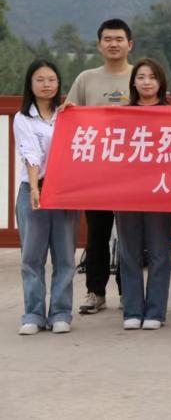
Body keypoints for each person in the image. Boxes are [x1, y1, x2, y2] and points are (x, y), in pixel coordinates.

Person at [66, 18, 133, 316]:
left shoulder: (140, 75)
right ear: (99, 44)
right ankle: (95, 292)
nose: (113, 44)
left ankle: (128, 291)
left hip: (132, 172)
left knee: (130, 236)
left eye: (119, 39)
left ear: (130, 44)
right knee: (97, 234)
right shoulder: (86, 79)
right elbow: (70, 119)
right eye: (108, 39)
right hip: (97, 173)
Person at [14, 60, 78, 335]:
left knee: (65, 256)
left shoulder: (67, 115)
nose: (46, 85)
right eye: (40, 80)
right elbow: (30, 154)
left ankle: (61, 312)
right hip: (33, 189)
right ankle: (33, 313)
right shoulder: (22, 118)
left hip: (63, 191)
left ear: (59, 83)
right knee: (32, 257)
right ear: (30, 84)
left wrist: (75, 115)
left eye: (51, 79)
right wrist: (36, 190)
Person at [116, 59, 171, 330]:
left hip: (161, 192)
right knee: (128, 252)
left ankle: (155, 311)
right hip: (127, 192)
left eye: (152, 77)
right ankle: (132, 310)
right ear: (133, 83)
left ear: (160, 82)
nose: (147, 82)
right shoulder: (122, 114)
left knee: (159, 252)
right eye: (141, 77)